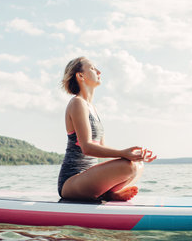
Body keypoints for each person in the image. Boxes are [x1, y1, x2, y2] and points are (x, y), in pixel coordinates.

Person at [57, 57, 157, 201]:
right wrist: (123, 154)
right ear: (80, 76)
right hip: (72, 180)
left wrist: (134, 156)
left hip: (89, 177)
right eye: (92, 68)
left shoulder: (92, 108)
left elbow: (101, 148)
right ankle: (107, 194)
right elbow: (87, 148)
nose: (99, 71)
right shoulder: (77, 103)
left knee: (137, 165)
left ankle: (108, 194)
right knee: (129, 167)